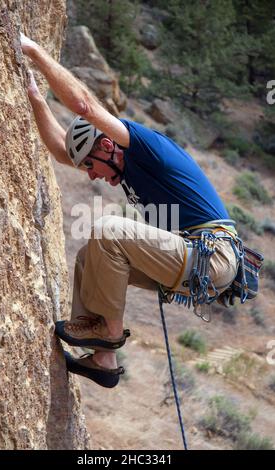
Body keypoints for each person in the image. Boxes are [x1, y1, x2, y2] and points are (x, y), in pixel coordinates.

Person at [20, 33, 238, 388]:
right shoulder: (115, 162)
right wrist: (35, 99)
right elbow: (63, 152)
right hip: (193, 258)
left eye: (91, 164)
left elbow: (86, 106)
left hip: (212, 255)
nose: (90, 174)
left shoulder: (143, 148)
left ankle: (106, 332)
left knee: (107, 229)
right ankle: (104, 358)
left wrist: (33, 50)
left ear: (107, 146)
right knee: (89, 258)